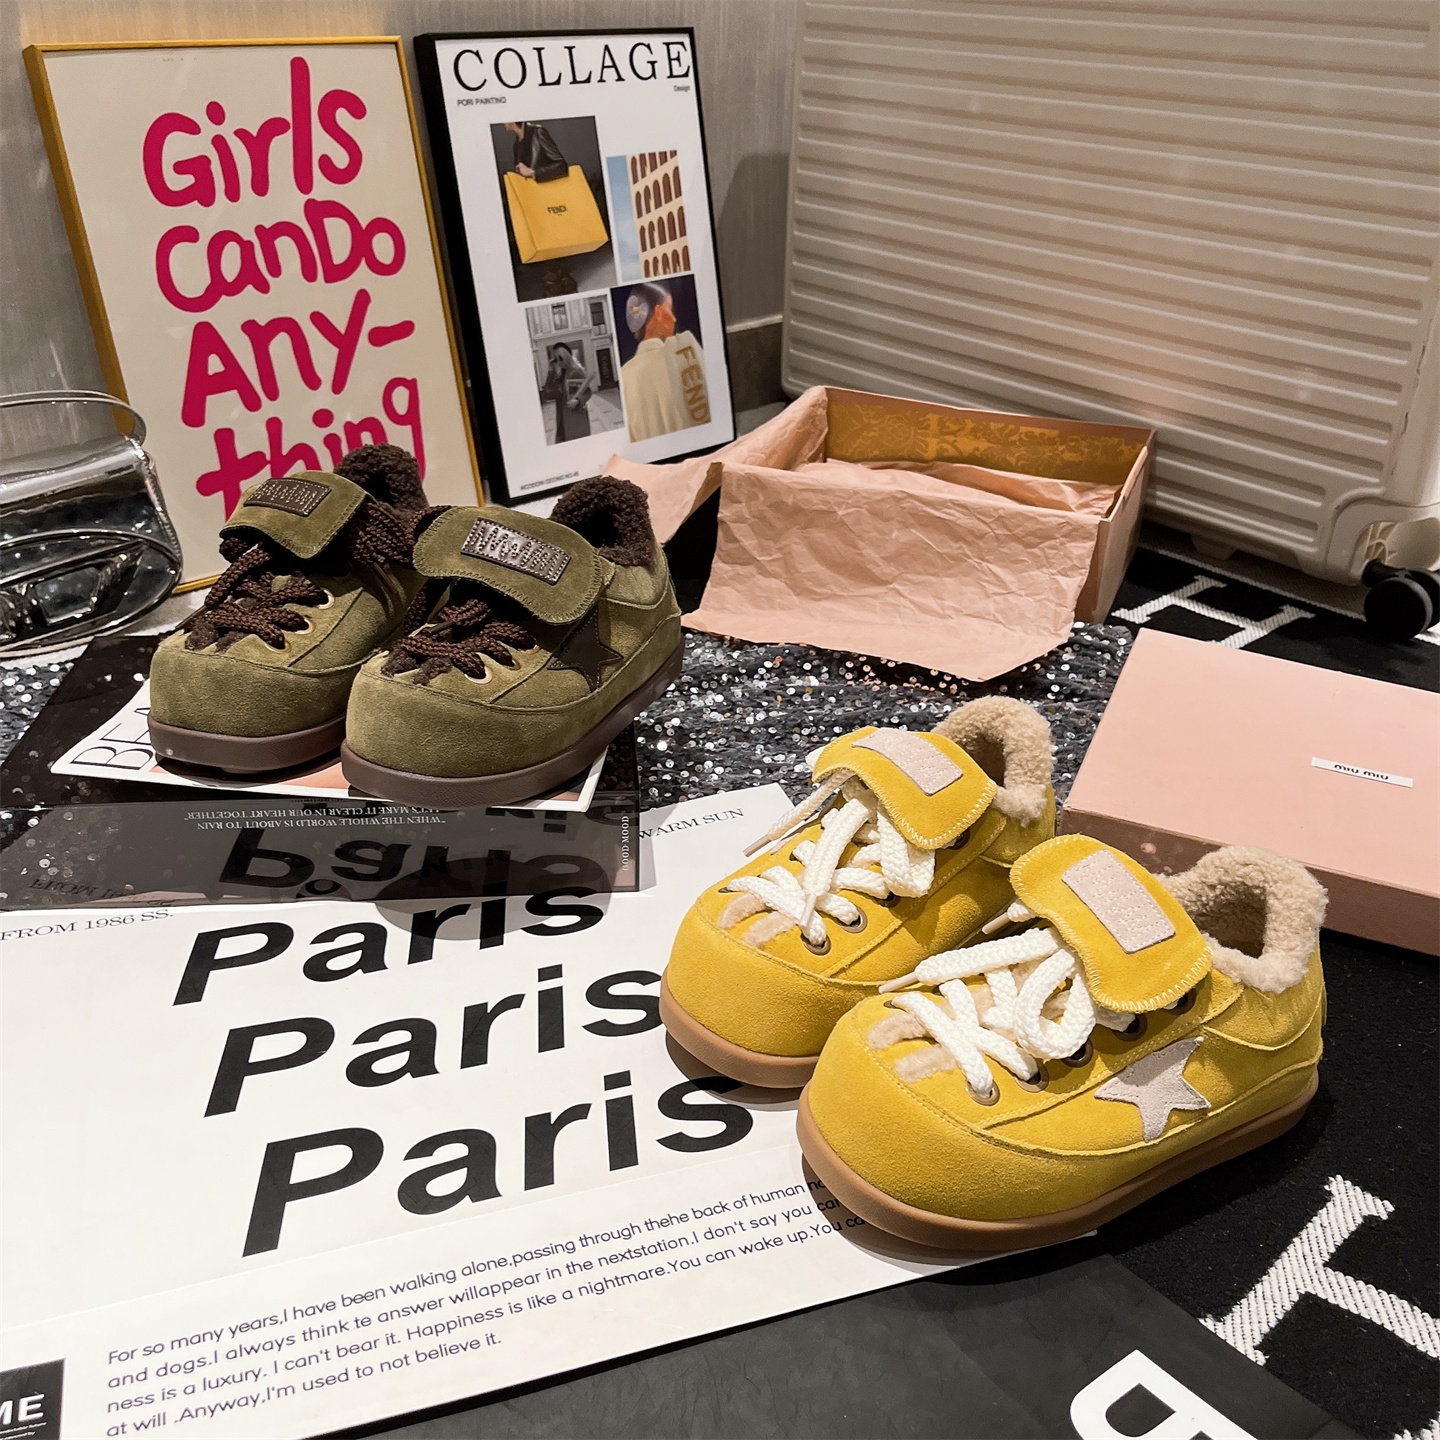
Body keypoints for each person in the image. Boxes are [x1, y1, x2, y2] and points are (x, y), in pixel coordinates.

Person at [618, 284, 710, 443]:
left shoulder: (624, 375)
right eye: (669, 309)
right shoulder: (686, 353)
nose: (674, 319)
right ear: (659, 313)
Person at [541, 343, 594, 443]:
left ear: (566, 356)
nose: (558, 362)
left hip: (576, 419)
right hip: (562, 420)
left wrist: (578, 401)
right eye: (555, 359)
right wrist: (550, 372)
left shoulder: (576, 371)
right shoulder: (557, 376)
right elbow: (547, 395)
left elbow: (588, 392)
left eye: (560, 358)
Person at [503, 121, 568, 182]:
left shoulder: (538, 132)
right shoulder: (516, 144)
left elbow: (562, 166)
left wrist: (533, 173)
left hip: (546, 189)